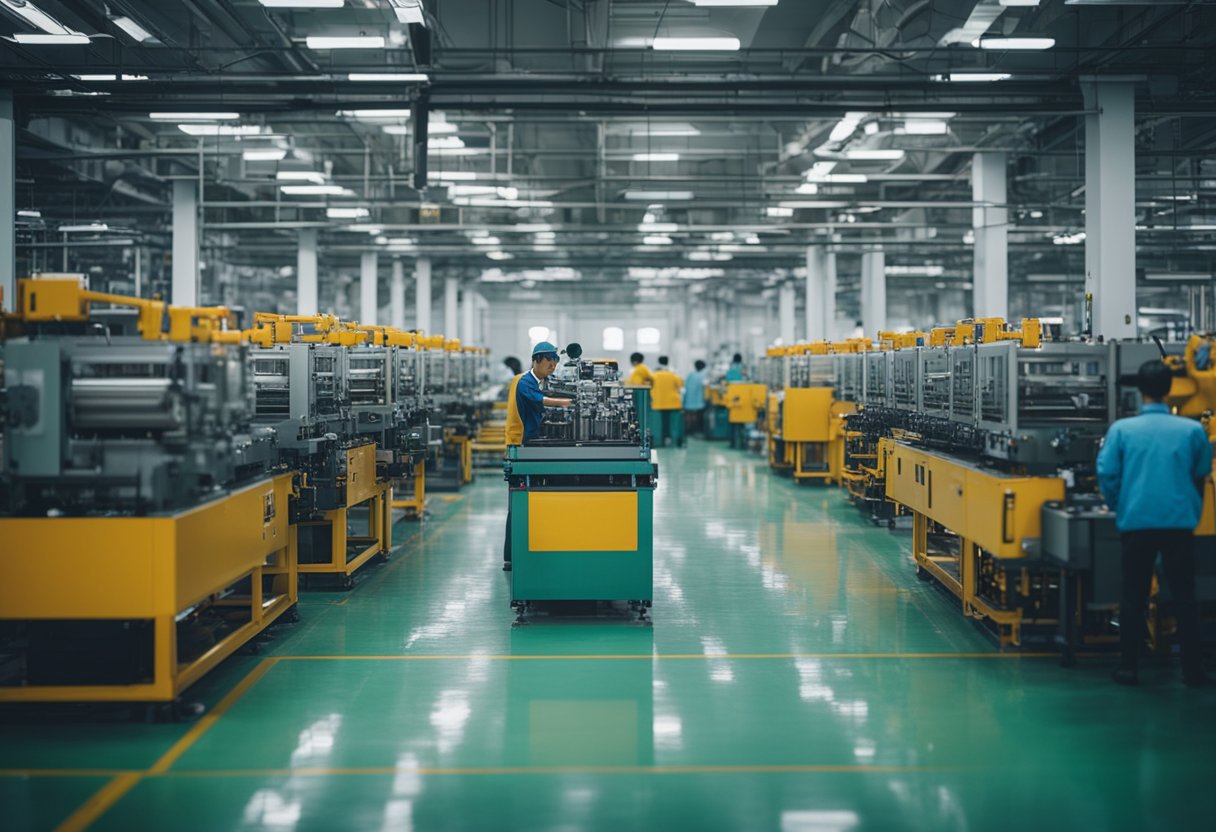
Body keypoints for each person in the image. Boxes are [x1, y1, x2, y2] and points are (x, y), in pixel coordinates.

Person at [1097, 360, 1211, 687]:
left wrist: (1121, 505)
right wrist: (1191, 508)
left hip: (1136, 522)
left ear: (1140, 390)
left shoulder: (1121, 430)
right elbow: (1200, 473)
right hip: (1179, 523)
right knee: (1185, 596)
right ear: (1170, 388)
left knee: (1133, 594)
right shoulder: (1191, 431)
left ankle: (1129, 667)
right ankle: (1193, 670)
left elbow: (1107, 475)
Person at [502, 341, 574, 570]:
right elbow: (539, 400)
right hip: (520, 445)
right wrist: (567, 402)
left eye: (555, 364)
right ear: (537, 360)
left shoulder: (537, 380)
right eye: (549, 363)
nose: (552, 367)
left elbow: (545, 394)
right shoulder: (525, 381)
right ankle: (512, 557)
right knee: (517, 503)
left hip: (529, 443)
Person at [650, 355, 684, 448]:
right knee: (673, 424)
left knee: (659, 425)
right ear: (668, 362)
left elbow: (649, 386)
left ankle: (659, 441)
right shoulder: (674, 375)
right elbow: (681, 386)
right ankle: (674, 441)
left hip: (658, 403)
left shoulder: (654, 375)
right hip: (673, 403)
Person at [683, 359, 707, 438]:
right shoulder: (702, 376)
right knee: (695, 416)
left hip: (689, 399)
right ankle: (694, 431)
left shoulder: (690, 375)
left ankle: (688, 431)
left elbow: (685, 385)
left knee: (689, 415)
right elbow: (705, 386)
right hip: (697, 400)